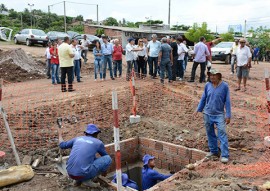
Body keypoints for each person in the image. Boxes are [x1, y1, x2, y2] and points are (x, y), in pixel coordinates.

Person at [193, 68, 231, 163]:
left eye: (214, 75)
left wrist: (228, 115)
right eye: (210, 75)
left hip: (219, 114)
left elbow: (227, 101)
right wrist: (198, 109)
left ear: (218, 76)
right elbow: (203, 98)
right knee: (210, 133)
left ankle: (224, 154)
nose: (212, 77)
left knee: (222, 133)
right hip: (207, 113)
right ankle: (214, 151)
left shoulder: (224, 86)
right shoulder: (207, 85)